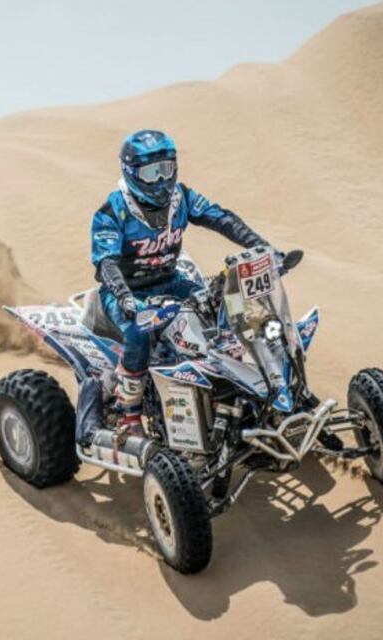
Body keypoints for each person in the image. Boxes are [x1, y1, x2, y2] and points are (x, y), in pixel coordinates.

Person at [90, 129, 276, 433]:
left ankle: (241, 386)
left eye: (166, 169)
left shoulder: (182, 197)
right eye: (151, 173)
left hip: (170, 281)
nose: (161, 180)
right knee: (138, 332)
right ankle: (129, 413)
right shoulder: (113, 211)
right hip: (125, 292)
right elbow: (106, 263)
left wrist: (261, 247)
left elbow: (221, 217)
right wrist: (125, 297)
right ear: (131, 172)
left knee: (218, 308)